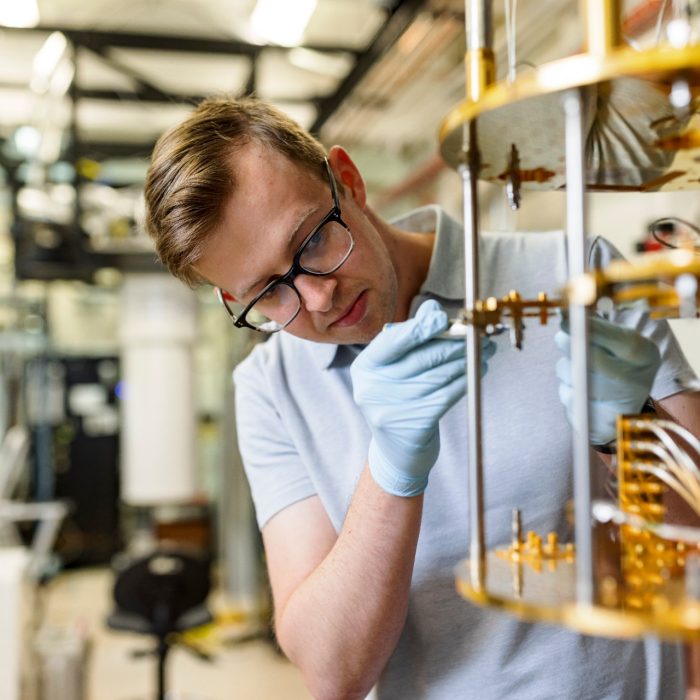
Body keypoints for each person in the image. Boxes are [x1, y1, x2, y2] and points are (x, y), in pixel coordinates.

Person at [144, 96, 700, 699]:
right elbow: (334, 674)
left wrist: (629, 435)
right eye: (269, 293)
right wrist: (390, 471)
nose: (318, 298)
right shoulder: (270, 388)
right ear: (233, 303)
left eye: (310, 244)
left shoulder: (575, 275)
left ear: (349, 181)